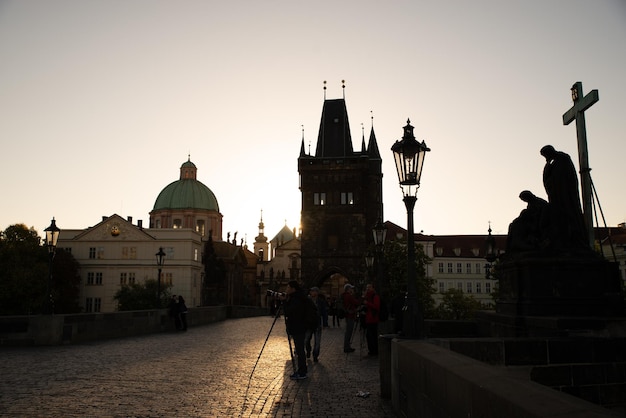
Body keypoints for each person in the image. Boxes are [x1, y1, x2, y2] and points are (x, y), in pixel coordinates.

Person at [540, 145, 587, 250]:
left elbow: (561, 178)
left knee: (567, 214)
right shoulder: (554, 163)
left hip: (565, 195)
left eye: (545, 155)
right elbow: (549, 180)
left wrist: (549, 173)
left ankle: (572, 239)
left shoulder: (562, 160)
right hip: (558, 195)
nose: (546, 158)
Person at [281, 280, 309, 380]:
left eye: (288, 287)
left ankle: (302, 372)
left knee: (300, 350)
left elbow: (289, 312)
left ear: (293, 289)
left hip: (298, 327)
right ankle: (302, 370)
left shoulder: (296, 299)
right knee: (299, 350)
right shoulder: (298, 297)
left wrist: (284, 301)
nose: (286, 289)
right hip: (299, 327)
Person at [305, 287, 323, 362]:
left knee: (317, 342)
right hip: (309, 324)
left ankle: (315, 355)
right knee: (306, 340)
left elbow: (323, 312)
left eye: (315, 291)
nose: (313, 293)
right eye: (312, 291)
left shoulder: (320, 301)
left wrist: (325, 323)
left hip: (317, 323)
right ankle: (308, 350)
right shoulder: (307, 301)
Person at [341, 283, 360, 353]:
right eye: (351, 288)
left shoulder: (344, 296)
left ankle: (347, 346)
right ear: (348, 289)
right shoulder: (349, 296)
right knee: (349, 332)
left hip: (348, 315)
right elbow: (356, 302)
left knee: (348, 331)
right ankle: (346, 347)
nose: (352, 290)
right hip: (350, 315)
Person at [363, 283, 380, 356]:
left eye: (369, 287)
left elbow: (376, 307)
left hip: (373, 319)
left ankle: (374, 351)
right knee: (369, 336)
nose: (367, 288)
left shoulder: (375, 296)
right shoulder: (367, 297)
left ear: (373, 288)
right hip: (368, 319)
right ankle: (371, 351)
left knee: (372, 336)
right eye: (367, 287)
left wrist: (368, 303)